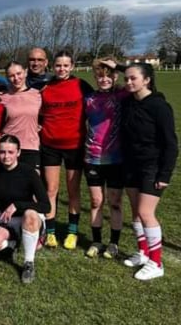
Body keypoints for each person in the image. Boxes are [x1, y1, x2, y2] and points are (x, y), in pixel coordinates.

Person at [120, 63, 178, 280]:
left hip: (152, 167)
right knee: (135, 212)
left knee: (146, 213)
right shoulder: (128, 103)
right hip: (130, 165)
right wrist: (115, 65)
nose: (128, 82)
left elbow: (171, 144)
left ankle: (156, 262)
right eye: (126, 78)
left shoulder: (159, 106)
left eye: (133, 79)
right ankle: (143, 252)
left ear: (147, 80)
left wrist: (165, 174)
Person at [40, 50, 93, 250]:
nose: (61, 69)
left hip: (74, 146)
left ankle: (72, 232)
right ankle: (51, 232)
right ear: (52, 66)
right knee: (51, 190)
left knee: (73, 191)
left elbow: (100, 100)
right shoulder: (45, 87)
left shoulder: (81, 85)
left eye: (65, 65)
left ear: (72, 66)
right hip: (50, 145)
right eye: (58, 65)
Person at [0, 135, 50, 283]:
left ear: (18, 152)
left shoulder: (29, 172)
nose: (6, 156)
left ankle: (28, 263)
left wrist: (18, 205)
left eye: (10, 152)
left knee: (30, 214)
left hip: (28, 218)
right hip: (8, 221)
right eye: (2, 152)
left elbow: (46, 206)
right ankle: (13, 243)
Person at [83, 59, 127, 259]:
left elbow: (146, 79)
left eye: (109, 76)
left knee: (115, 202)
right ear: (95, 77)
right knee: (96, 201)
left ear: (115, 76)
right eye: (100, 76)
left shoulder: (122, 96)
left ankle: (114, 243)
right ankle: (96, 241)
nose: (104, 80)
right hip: (92, 158)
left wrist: (117, 66)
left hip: (116, 159)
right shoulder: (89, 99)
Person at [0, 61, 42, 170]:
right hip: (9, 149)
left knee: (32, 184)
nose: (16, 78)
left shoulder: (37, 94)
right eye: (11, 76)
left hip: (31, 147)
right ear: (7, 77)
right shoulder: (2, 98)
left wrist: (41, 124)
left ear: (26, 72)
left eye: (19, 74)